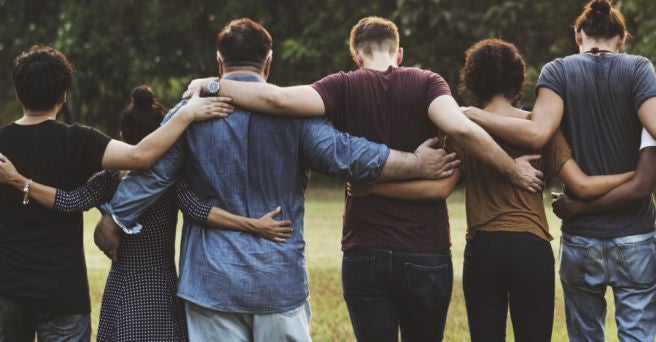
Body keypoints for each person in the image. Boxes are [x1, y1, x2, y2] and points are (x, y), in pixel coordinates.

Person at [184, 16, 544, 341]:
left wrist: (216, 85)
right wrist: (512, 168)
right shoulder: (428, 82)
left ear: (356, 55)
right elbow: (460, 127)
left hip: (364, 251)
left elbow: (277, 101)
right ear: (399, 53)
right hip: (425, 251)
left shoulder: (339, 87)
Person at [93, 18, 454, 342]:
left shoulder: (189, 112)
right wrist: (416, 163)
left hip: (211, 283)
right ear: (268, 63)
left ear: (219, 63)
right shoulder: (296, 118)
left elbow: (152, 175)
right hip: (277, 281)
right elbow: (347, 154)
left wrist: (114, 217)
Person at [350, 38, 634, 342]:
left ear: (472, 80)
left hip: (484, 251)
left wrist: (373, 189)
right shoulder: (539, 128)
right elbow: (581, 185)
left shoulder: (464, 130)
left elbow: (437, 190)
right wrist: (635, 175)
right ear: (517, 80)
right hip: (531, 250)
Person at [0, 85, 291, 341]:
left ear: (122, 134)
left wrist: (19, 180)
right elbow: (201, 211)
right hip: (160, 288)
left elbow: (68, 202)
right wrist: (255, 225)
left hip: (123, 288)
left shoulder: (109, 179)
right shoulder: (171, 182)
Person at [460, 1, 656, 340]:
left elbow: (538, 132)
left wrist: (473, 115)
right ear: (621, 39)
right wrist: (637, 176)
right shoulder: (639, 69)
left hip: (580, 238)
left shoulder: (558, 71)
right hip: (635, 233)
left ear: (578, 35)